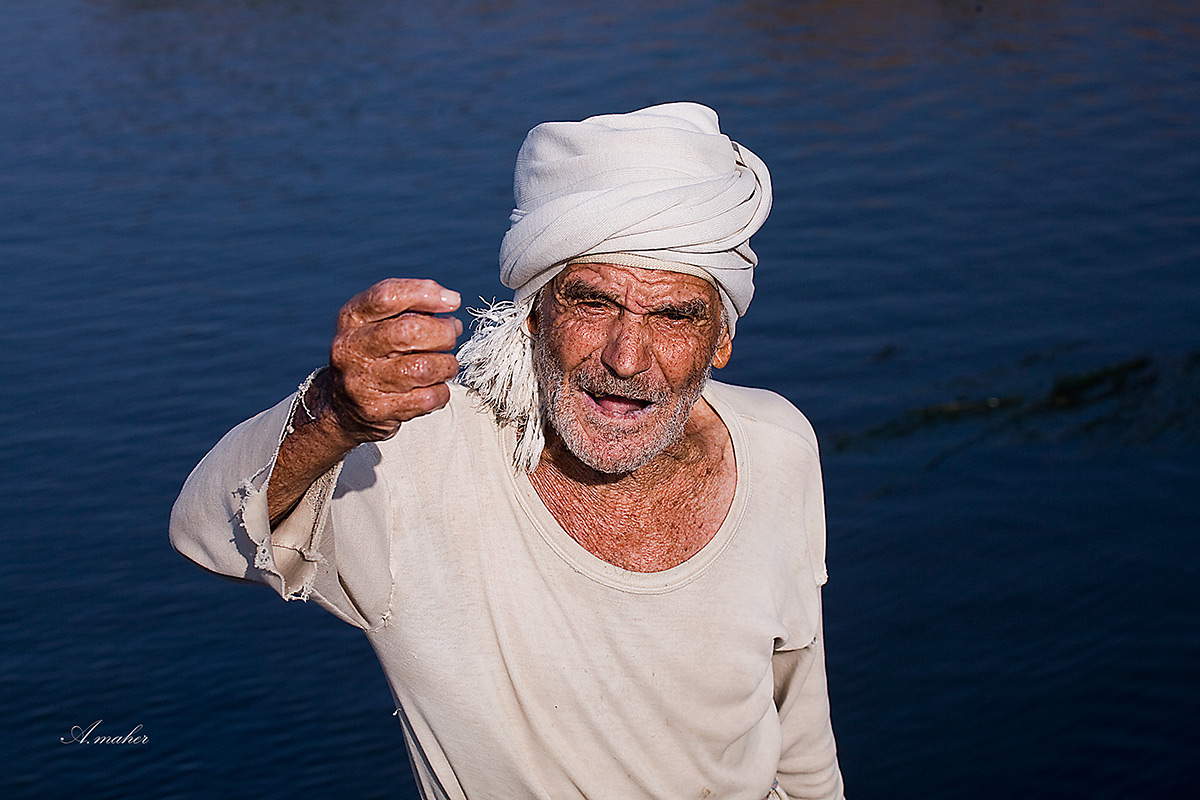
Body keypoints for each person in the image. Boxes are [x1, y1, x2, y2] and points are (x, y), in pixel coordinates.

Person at [170, 102, 845, 800]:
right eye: (592, 303)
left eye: (674, 315)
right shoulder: (413, 462)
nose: (625, 357)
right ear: (534, 312)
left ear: (721, 339)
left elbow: (797, 723)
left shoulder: (776, 446)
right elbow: (206, 532)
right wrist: (335, 413)